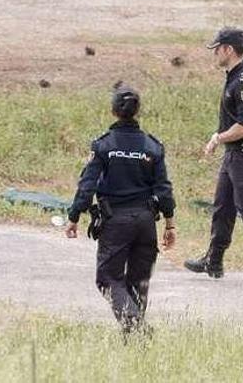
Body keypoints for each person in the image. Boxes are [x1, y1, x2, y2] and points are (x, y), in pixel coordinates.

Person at [65, 84, 177, 335]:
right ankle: (135, 340)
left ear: (114, 111)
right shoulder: (152, 146)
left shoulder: (104, 146)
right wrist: (169, 223)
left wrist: (73, 217)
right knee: (138, 283)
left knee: (108, 279)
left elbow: (87, 185)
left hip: (116, 222)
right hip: (146, 222)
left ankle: (136, 327)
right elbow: (164, 189)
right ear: (137, 111)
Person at [184, 28, 243, 288]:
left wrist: (219, 137)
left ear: (228, 49)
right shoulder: (233, 78)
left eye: (217, 48)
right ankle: (214, 260)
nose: (214, 53)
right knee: (222, 206)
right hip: (234, 154)